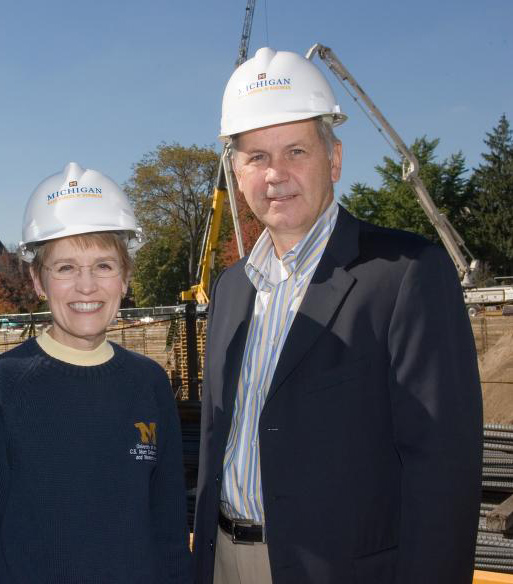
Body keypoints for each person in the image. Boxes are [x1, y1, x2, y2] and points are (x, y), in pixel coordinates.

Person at [192, 47, 483, 584]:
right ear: (236, 172)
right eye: (255, 156)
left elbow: (443, 469)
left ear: (335, 159)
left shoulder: (405, 273)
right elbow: (217, 442)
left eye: (296, 150)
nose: (275, 174)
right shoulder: (232, 288)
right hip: (226, 561)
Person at [0, 162, 193, 583]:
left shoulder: (148, 383)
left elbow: (168, 529)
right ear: (39, 281)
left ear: (125, 278)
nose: (86, 286)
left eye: (104, 266)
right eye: (66, 268)